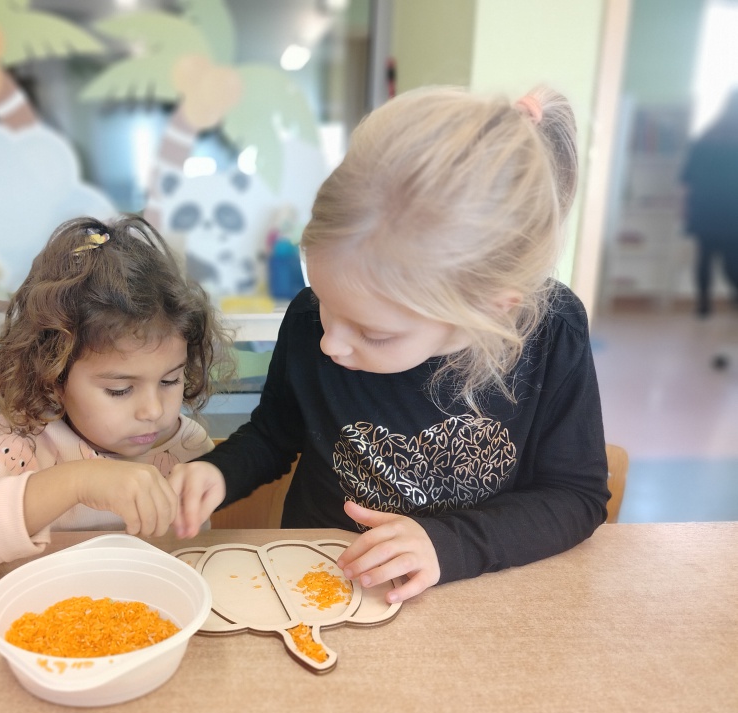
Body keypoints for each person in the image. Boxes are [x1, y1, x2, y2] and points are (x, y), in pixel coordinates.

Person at [170, 85, 610, 605]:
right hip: (320, 579)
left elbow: (575, 497)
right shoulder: (314, 320)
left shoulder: (553, 332)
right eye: (324, 301)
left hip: (468, 597)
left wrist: (448, 544)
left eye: (373, 333)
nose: (331, 343)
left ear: (489, 309)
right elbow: (274, 434)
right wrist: (219, 472)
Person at [0, 215, 233, 590]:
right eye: (120, 390)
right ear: (53, 377)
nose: (154, 411)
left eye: (170, 381)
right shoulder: (24, 444)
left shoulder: (186, 447)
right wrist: (76, 481)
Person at [680, 90, 738, 316]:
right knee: (732, 261)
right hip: (733, 211)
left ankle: (703, 307)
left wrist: (685, 209)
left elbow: (687, 179)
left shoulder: (705, 138)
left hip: (704, 208)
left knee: (704, 257)